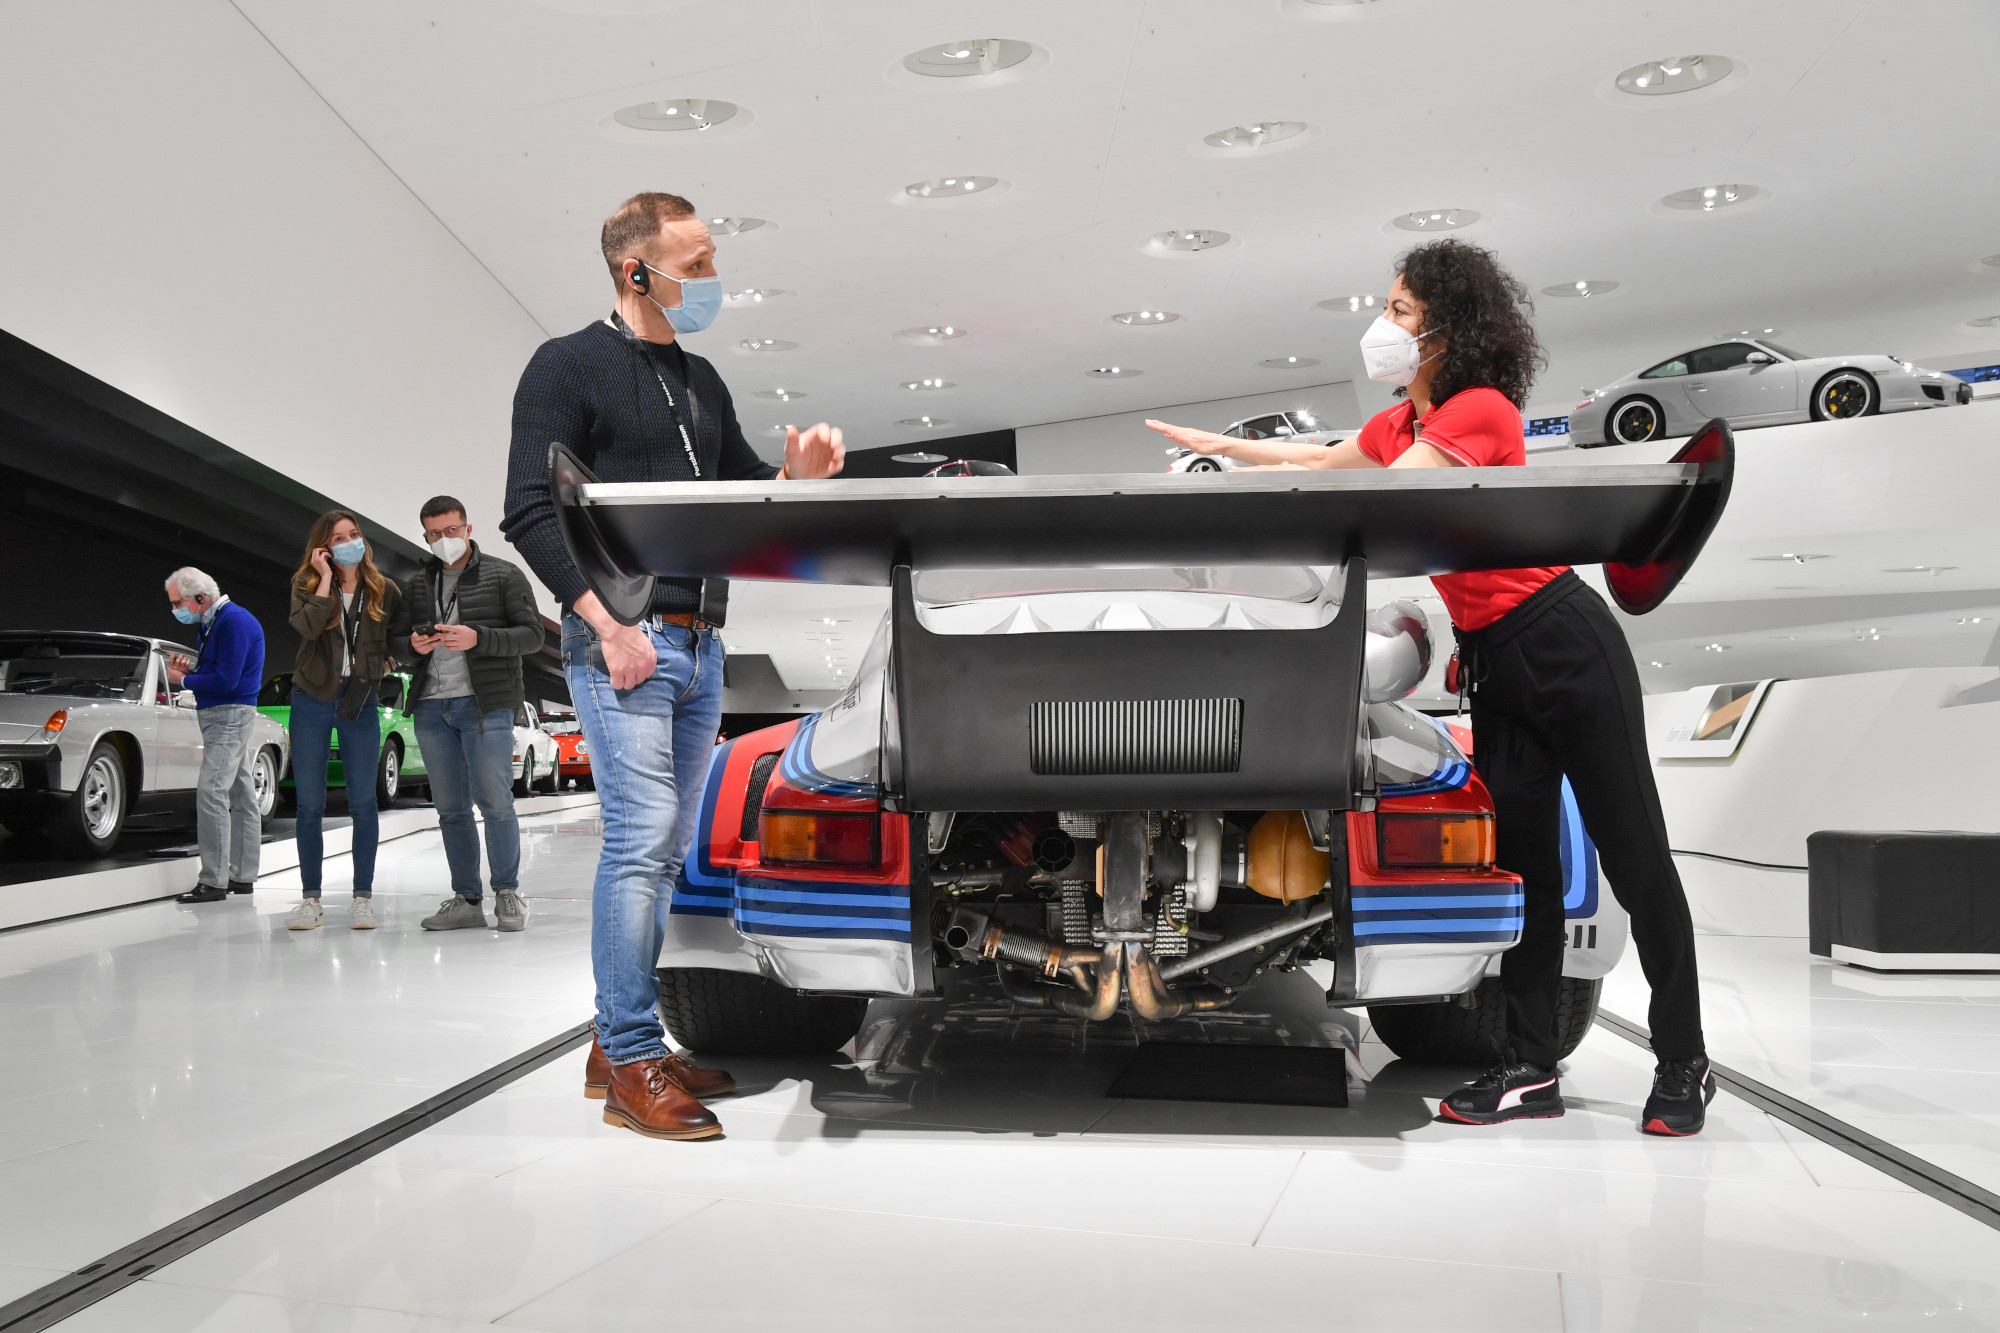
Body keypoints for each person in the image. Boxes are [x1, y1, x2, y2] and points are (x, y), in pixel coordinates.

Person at [1147, 238, 1715, 1136]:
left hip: (1564, 642)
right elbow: (1324, 465)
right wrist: (1218, 451)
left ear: (1450, 327)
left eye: (1402, 310)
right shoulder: (1395, 427)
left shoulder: (1481, 409)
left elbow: (1389, 500)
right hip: (1494, 659)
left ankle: (1684, 1059)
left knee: (1634, 857)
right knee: (1525, 873)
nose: (1385, 324)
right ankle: (1531, 1066)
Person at [502, 190, 846, 1142]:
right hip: (626, 642)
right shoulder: (566, 366)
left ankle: (621, 1047)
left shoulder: (701, 382)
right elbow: (529, 509)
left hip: (699, 646)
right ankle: (629, 1058)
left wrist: (795, 486)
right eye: (694, 266)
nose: (710, 283)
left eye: (710, 264)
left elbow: (740, 498)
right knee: (641, 838)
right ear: (634, 270)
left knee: (663, 849)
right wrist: (608, 625)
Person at [394, 495, 545, 933]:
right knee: (451, 810)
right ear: (426, 536)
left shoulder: (503, 575)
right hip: (430, 706)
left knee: (496, 802)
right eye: (436, 534)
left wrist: (477, 637)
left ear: (468, 529)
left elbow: (532, 635)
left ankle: (507, 894)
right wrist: (411, 647)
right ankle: (466, 899)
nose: (445, 539)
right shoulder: (417, 584)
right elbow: (397, 641)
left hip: (487, 706)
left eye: (452, 530)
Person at [285, 511, 404, 932]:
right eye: (338, 538)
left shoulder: (382, 588)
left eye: (354, 534)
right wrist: (322, 577)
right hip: (312, 695)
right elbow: (307, 626)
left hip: (360, 699)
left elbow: (397, 637)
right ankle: (310, 899)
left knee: (363, 802)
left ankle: (362, 898)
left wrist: (386, 660)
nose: (350, 541)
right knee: (309, 804)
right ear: (323, 546)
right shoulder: (305, 583)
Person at [163, 568, 266, 905]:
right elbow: (220, 673)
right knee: (241, 793)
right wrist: (191, 672)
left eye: (178, 602)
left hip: (229, 714)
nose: (176, 609)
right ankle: (241, 876)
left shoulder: (232, 621)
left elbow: (227, 680)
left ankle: (214, 881)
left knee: (211, 791)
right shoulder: (216, 622)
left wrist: (183, 681)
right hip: (226, 714)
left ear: (200, 598)